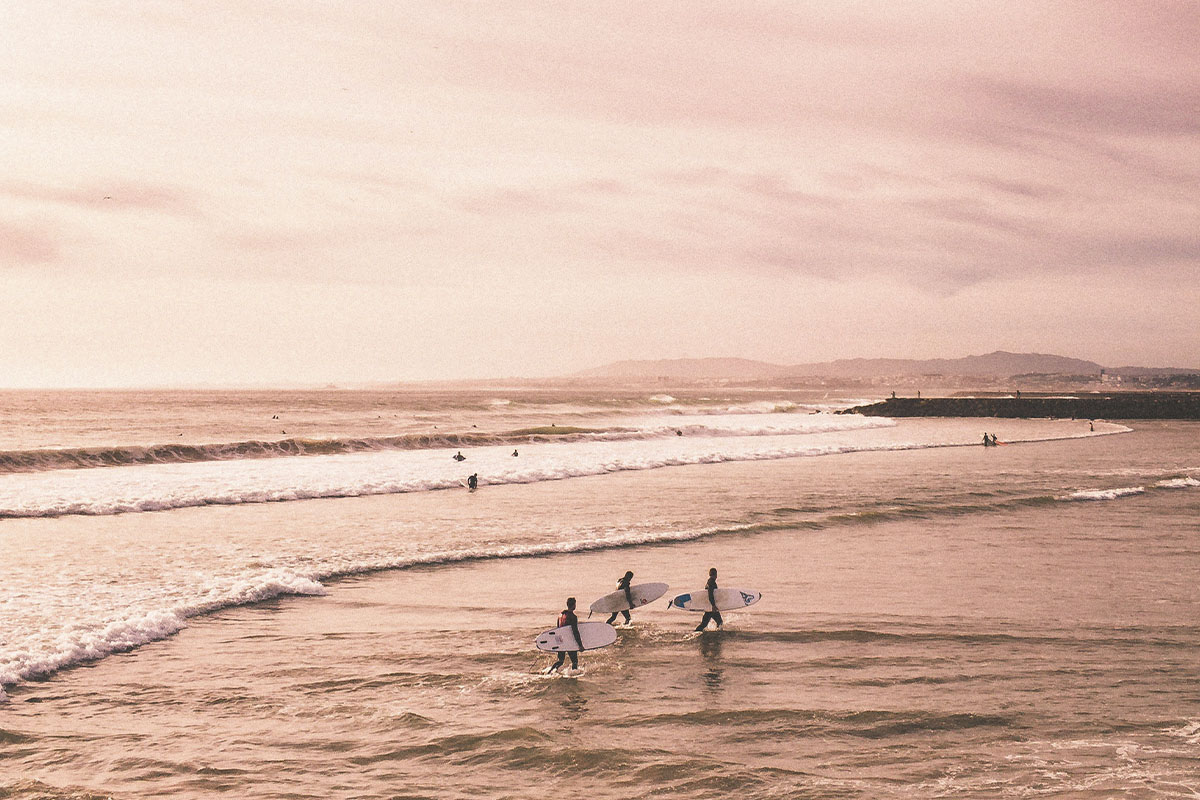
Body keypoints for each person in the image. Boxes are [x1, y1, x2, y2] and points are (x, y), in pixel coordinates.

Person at [548, 597, 582, 673]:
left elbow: (557, 629)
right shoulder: (573, 617)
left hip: (560, 640)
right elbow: (575, 632)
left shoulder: (560, 615)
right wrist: (580, 645)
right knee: (575, 662)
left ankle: (550, 672)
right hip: (569, 641)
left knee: (560, 660)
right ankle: (573, 676)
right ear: (573, 605)